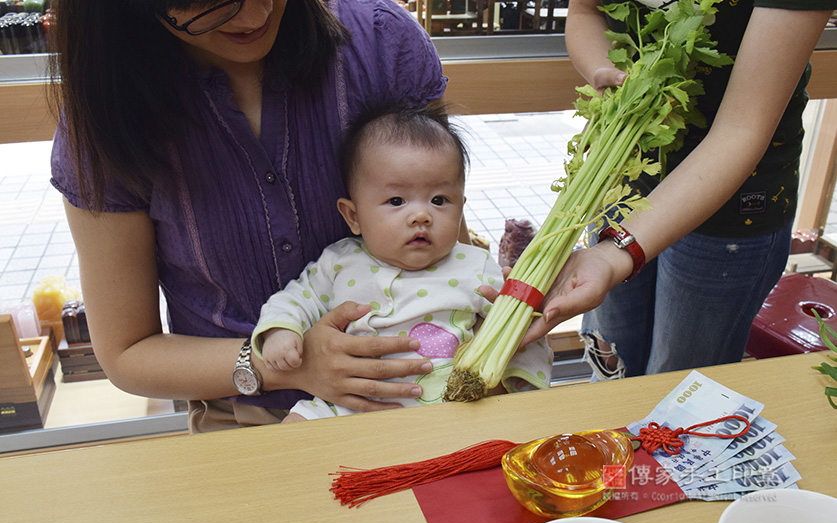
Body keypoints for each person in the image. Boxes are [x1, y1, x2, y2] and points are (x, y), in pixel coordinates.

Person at [48, 0, 457, 432]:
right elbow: (128, 353)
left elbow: (447, 245)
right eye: (205, 3)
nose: (253, 17)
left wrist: (507, 314)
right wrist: (285, 365)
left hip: (421, 394)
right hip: (246, 416)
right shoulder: (106, 117)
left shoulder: (379, 44)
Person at [511, 1, 836, 378]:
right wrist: (608, 74)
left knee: (680, 380)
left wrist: (613, 253)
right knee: (612, 352)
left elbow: (741, 130)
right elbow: (586, 11)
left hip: (731, 203)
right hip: (623, 178)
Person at [253, 104, 552, 422]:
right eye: (396, 201)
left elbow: (520, 328)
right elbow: (295, 299)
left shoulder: (474, 265)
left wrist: (519, 384)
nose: (421, 215)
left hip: (448, 403)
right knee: (292, 431)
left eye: (439, 200)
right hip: (350, 403)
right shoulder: (339, 262)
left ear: (461, 207)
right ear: (353, 216)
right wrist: (281, 332)